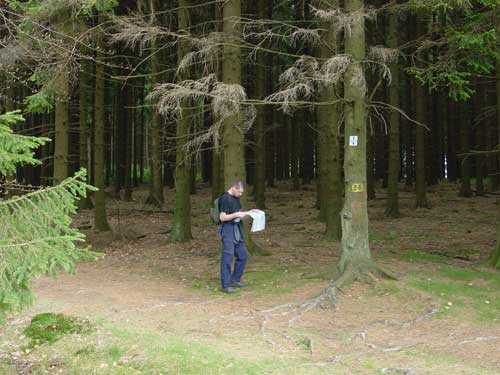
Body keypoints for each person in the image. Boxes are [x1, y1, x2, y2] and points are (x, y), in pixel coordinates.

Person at [218, 180, 249, 293]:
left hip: (237, 228)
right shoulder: (225, 198)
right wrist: (236, 215)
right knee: (228, 256)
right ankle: (225, 285)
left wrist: (248, 213)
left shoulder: (236, 198)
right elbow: (222, 218)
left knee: (243, 254)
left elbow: (237, 212)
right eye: (239, 192)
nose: (240, 194)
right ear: (234, 188)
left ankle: (235, 279)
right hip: (227, 229)